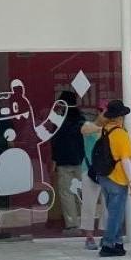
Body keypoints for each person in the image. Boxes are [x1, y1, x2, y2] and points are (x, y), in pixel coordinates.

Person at [90, 98, 131, 258]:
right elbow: (125, 160)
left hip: (105, 177)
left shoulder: (105, 130)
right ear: (120, 117)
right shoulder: (121, 134)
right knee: (116, 215)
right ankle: (108, 244)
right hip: (118, 178)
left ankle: (117, 243)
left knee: (113, 212)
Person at [50, 88, 92, 233]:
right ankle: (85, 222)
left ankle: (72, 224)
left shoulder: (58, 120)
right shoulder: (82, 120)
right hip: (81, 160)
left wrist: (53, 161)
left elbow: (54, 141)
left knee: (66, 193)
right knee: (82, 191)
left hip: (63, 160)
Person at [78, 107, 105, 250]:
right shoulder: (89, 125)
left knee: (107, 204)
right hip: (89, 170)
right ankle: (89, 236)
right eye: (104, 113)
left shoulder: (112, 129)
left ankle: (106, 234)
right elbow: (84, 130)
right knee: (89, 204)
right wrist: (101, 128)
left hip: (106, 171)